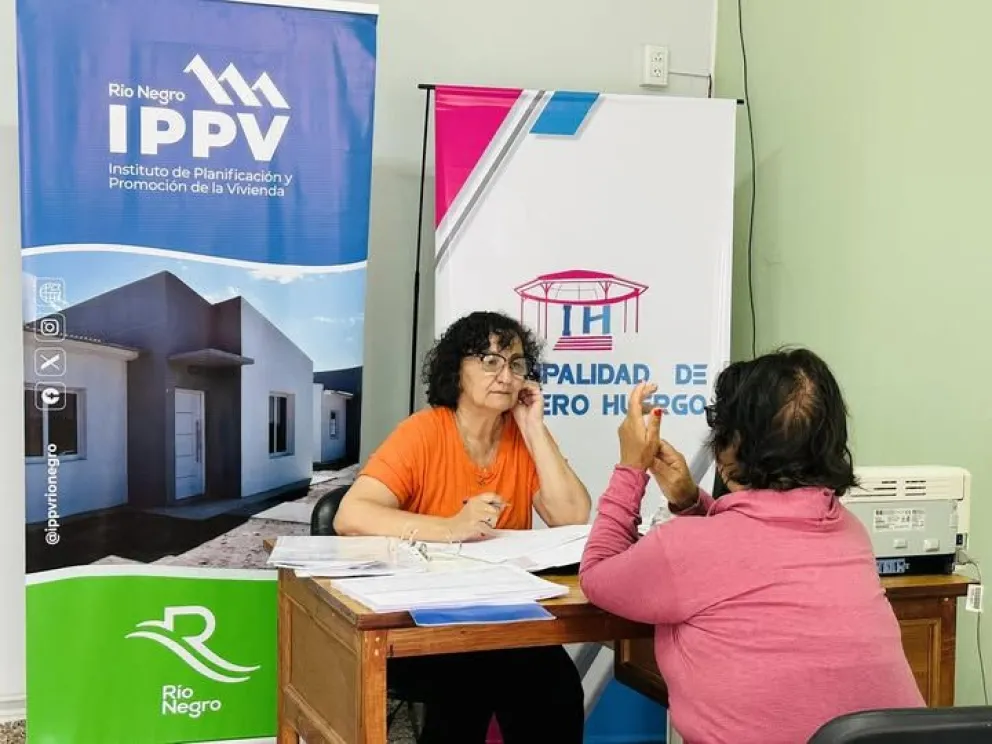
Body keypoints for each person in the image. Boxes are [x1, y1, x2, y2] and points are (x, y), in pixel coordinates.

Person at [579, 348, 924, 744]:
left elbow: (597, 573)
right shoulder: (849, 531)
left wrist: (631, 467)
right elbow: (751, 547)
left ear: (734, 441)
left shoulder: (686, 548)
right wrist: (692, 502)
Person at [335, 310, 591, 744]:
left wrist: (534, 428)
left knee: (557, 686)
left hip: (506, 619)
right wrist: (452, 527)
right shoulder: (423, 432)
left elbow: (571, 516)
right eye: (490, 361)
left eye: (515, 364)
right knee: (467, 686)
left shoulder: (522, 436)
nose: (505, 376)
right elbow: (351, 515)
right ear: (457, 370)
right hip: (423, 621)